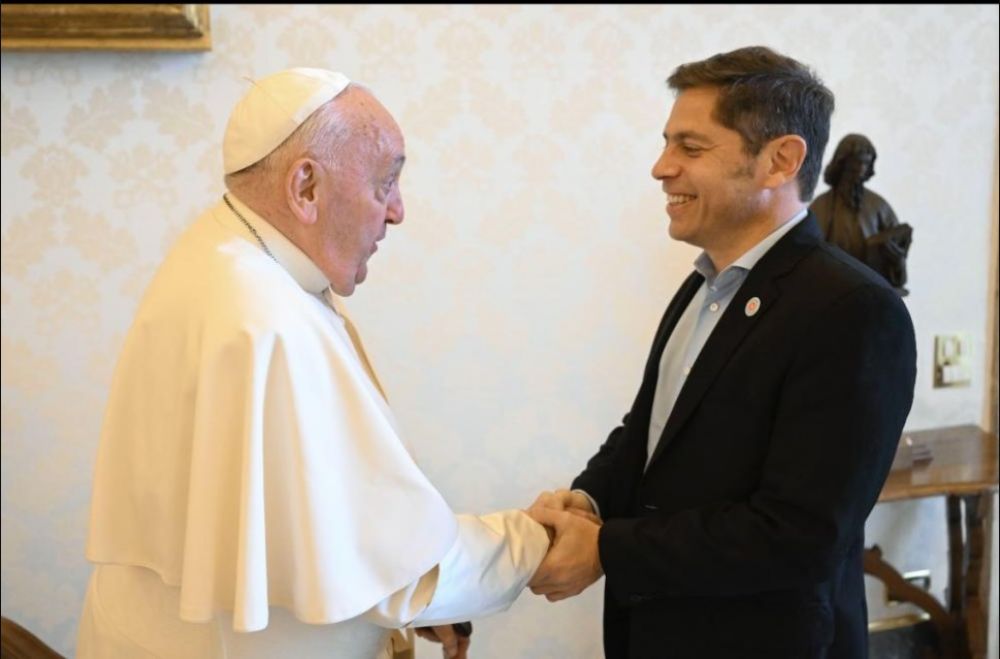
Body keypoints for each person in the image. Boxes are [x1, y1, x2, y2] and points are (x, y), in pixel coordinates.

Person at [77, 68, 549, 659]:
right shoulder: (264, 317)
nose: (398, 212)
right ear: (305, 188)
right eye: (386, 184)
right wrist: (539, 542)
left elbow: (330, 545)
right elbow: (394, 569)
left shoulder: (222, 256)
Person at [527, 46, 917, 659]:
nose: (660, 167)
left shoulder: (855, 311)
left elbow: (800, 534)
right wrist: (589, 499)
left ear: (779, 161)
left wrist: (605, 549)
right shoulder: (701, 286)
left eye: (690, 147)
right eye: (666, 143)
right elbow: (650, 433)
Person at [810, 133, 912, 295]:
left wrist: (895, 257)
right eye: (857, 162)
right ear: (842, 163)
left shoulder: (879, 207)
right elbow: (808, 254)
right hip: (831, 293)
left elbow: (898, 268)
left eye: (866, 163)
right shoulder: (820, 206)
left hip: (874, 293)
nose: (861, 168)